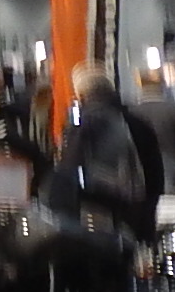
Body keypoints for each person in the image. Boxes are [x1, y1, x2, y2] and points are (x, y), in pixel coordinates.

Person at [47, 65, 160, 244]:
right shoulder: (138, 124)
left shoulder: (84, 127)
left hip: (96, 218)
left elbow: (68, 171)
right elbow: (155, 173)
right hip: (138, 213)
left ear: (82, 95)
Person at [130, 70, 175, 190]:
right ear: (161, 89)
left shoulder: (132, 113)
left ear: (141, 90)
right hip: (170, 162)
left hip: (139, 166)